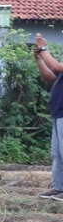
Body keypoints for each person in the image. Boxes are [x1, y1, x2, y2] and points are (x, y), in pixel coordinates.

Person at [33, 33, 63, 200]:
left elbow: (57, 67)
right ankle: (58, 188)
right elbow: (51, 77)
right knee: (57, 154)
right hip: (58, 112)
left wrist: (43, 49)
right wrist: (39, 58)